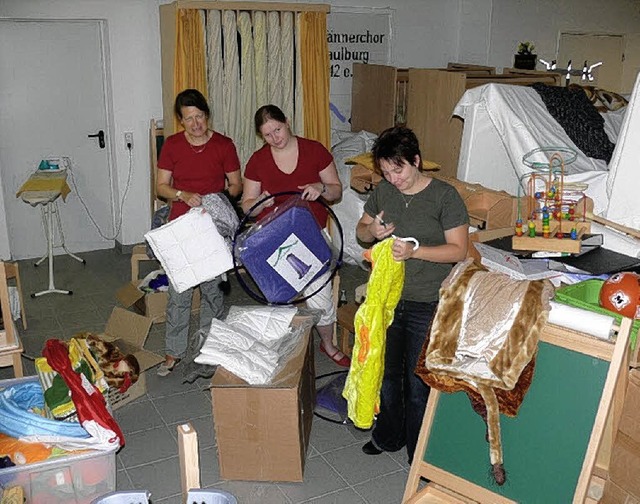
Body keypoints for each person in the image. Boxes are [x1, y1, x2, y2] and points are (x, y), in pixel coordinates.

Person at [355, 126, 469, 463]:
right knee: (387, 375)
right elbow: (362, 232)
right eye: (387, 172)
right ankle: (389, 435)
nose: (394, 178)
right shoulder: (384, 192)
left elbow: (459, 250)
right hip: (388, 300)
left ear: (416, 160)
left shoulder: (444, 196)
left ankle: (418, 452)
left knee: (417, 384)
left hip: (428, 302)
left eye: (399, 169)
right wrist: (371, 230)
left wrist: (415, 251)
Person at [241, 104, 349, 367]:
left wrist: (320, 187)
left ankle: (327, 343)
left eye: (277, 129)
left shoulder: (314, 150)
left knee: (319, 295)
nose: (275, 138)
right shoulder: (258, 160)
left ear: (287, 122)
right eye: (267, 135)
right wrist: (261, 203)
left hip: (311, 234)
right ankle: (283, 348)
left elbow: (336, 191)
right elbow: (246, 205)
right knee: (278, 296)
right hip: (275, 239)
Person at [155, 89, 242, 376]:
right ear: (180, 121)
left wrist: (216, 200)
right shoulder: (172, 145)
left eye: (200, 117)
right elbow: (161, 187)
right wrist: (182, 194)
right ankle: (173, 351)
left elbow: (236, 185)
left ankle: (207, 349)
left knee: (212, 293)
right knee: (179, 292)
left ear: (207, 115)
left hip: (213, 227)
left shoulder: (224, 145)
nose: (196, 124)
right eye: (189, 119)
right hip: (182, 226)